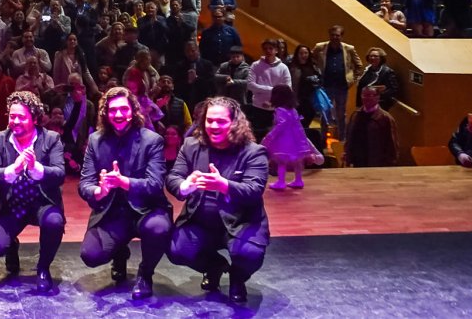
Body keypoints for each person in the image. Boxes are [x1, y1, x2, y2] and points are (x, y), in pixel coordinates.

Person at [166, 97, 269, 304]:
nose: (214, 126)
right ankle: (214, 267)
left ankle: (237, 277)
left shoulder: (253, 152)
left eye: (221, 121)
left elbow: (254, 190)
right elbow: (173, 177)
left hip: (241, 222)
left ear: (234, 122)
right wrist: (184, 186)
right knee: (177, 250)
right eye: (209, 120)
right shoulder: (190, 145)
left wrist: (224, 185)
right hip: (200, 222)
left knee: (249, 254)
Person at [77, 87, 172, 300]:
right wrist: (99, 191)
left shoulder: (152, 140)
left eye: (123, 109)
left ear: (133, 111)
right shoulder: (95, 140)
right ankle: (119, 252)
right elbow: (85, 184)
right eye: (112, 110)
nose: (118, 115)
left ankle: (145, 275)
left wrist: (124, 182)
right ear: (105, 113)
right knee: (90, 256)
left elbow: (156, 184)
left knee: (158, 229)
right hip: (112, 212)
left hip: (146, 210)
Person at [0, 90, 66, 293]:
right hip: (11, 204)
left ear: (35, 118)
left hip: (41, 202)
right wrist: (14, 169)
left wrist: (37, 169)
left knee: (54, 222)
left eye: (21, 116)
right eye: (12, 116)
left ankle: (43, 268)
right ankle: (11, 245)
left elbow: (60, 173)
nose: (15, 121)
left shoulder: (51, 138)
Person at [260, 85, 324, 190]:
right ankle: (298, 180)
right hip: (296, 139)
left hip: (284, 140)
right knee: (297, 161)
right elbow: (298, 125)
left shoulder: (280, 110)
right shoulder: (292, 110)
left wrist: (271, 135)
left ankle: (281, 182)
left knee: (281, 161)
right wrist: (302, 138)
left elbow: (281, 125)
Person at [312, 25, 363, 135]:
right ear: (329, 35)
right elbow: (311, 60)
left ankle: (342, 138)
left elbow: (359, 65)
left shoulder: (349, 49)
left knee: (341, 114)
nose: (335, 37)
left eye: (338, 35)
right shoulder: (320, 47)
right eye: (333, 35)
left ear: (342, 36)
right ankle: (323, 140)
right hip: (325, 85)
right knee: (324, 113)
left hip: (342, 86)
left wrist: (352, 80)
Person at [343, 87, 399, 168]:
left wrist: (390, 163)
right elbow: (349, 137)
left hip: (376, 163)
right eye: (364, 95)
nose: (366, 98)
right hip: (357, 162)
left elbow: (392, 144)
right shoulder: (355, 115)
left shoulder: (385, 118)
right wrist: (347, 155)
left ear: (377, 97)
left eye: (369, 95)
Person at [246, 39, 290, 109]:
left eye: (271, 48)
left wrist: (273, 103)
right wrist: (273, 89)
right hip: (257, 106)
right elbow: (250, 85)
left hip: (275, 108)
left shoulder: (283, 68)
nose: (268, 51)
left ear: (276, 50)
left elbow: (287, 89)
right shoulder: (255, 65)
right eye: (265, 49)